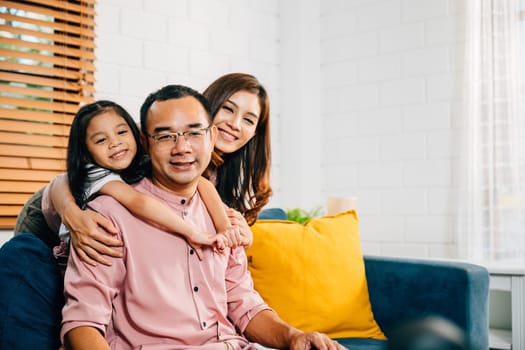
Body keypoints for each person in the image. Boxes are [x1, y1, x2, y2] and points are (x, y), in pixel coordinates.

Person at [61, 84, 345, 350]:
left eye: (194, 133)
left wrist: (294, 336)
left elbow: (243, 303)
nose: (182, 148)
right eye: (165, 136)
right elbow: (82, 323)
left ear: (211, 137)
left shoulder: (222, 216)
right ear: (145, 143)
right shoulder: (106, 217)